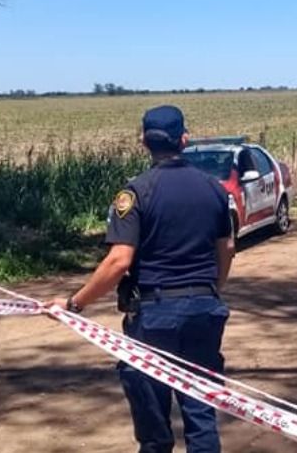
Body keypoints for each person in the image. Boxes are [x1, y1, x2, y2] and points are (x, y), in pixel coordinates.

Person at [45, 105, 235, 453]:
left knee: (154, 423)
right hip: (205, 312)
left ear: (143, 141)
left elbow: (119, 261)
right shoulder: (214, 189)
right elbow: (228, 248)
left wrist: (74, 304)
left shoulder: (135, 193)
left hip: (154, 316)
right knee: (200, 413)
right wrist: (212, 290)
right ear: (184, 139)